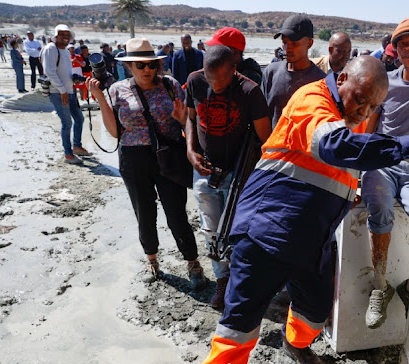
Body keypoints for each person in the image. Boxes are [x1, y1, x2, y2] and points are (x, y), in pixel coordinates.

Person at [189, 55, 409, 364]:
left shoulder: (352, 117)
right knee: (238, 327)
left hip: (312, 243)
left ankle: (297, 344)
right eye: (359, 99)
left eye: (371, 107)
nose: (361, 111)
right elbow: (330, 146)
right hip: (265, 236)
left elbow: (336, 168)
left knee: (312, 314)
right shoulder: (313, 99)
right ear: (341, 77)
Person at [86, 38, 206, 285]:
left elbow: (187, 121)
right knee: (145, 212)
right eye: (140, 66)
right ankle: (152, 260)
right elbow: (115, 132)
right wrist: (99, 97)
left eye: (151, 64)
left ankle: (193, 264)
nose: (147, 70)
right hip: (133, 158)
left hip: (169, 156)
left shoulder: (170, 84)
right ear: (129, 66)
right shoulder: (117, 90)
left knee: (176, 214)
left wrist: (182, 120)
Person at [362, 18, 409, 328]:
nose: (408, 48)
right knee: (377, 200)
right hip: (385, 162)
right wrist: (360, 166)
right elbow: (370, 125)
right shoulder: (387, 82)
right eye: (402, 43)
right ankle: (380, 287)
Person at [184, 44, 272, 309]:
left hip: (239, 173)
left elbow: (266, 139)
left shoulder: (250, 91)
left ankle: (242, 281)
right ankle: (222, 281)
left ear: (234, 69)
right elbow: (189, 118)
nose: (216, 84)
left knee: (239, 232)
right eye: (211, 78)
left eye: (222, 78)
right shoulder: (194, 81)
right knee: (211, 230)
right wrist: (190, 151)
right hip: (204, 170)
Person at [261, 14, 325, 127]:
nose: (287, 48)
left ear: (310, 43)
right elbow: (261, 116)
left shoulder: (321, 82)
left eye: (294, 44)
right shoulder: (271, 72)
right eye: (284, 42)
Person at [41, 24, 91, 164]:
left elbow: (64, 72)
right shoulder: (51, 48)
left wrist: (73, 81)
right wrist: (63, 90)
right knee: (67, 123)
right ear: (55, 35)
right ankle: (68, 155)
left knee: (79, 119)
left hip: (70, 91)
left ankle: (77, 146)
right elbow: (49, 72)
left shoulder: (65, 51)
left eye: (67, 35)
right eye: (62, 34)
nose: (65, 37)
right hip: (58, 92)